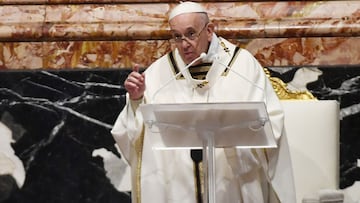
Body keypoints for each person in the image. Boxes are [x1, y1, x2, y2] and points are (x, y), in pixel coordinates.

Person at [111, 1, 296, 202]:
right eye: (177, 36)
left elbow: (271, 123)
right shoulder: (159, 74)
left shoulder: (242, 66)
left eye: (191, 34)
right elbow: (130, 132)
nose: (184, 44)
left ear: (209, 30)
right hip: (178, 188)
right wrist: (137, 99)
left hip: (232, 183)